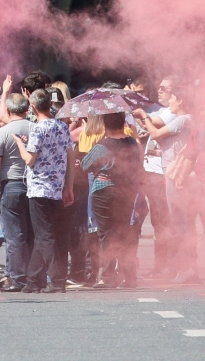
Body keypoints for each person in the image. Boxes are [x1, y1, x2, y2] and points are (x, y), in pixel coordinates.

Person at [13, 89, 74, 293]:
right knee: (45, 235)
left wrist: (20, 144)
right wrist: (69, 185)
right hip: (56, 187)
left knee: (45, 235)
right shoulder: (62, 127)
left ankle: (57, 280)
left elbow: (30, 159)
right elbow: (70, 158)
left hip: (39, 188)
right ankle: (33, 280)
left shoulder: (38, 129)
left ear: (32, 107)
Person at [138, 84, 196, 283]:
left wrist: (143, 117)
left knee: (180, 223)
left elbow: (155, 134)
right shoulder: (185, 120)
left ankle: (187, 268)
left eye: (172, 98)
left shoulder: (183, 119)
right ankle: (185, 267)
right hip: (172, 172)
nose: (169, 101)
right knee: (179, 222)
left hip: (176, 174)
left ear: (180, 101)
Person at [81, 111, 141, 288]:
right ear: (123, 123)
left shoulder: (103, 145)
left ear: (105, 125)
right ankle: (130, 276)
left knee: (106, 233)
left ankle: (107, 276)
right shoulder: (131, 143)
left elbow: (85, 164)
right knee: (125, 231)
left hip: (104, 190)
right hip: (127, 190)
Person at [132, 77, 179, 278]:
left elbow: (156, 127)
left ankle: (168, 263)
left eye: (164, 88)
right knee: (149, 219)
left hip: (163, 172)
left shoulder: (169, 111)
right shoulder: (149, 108)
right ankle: (157, 263)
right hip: (148, 170)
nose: (159, 91)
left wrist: (142, 116)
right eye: (158, 87)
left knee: (165, 221)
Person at [0, 93, 33, 291]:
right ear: (27, 109)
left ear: (8, 110)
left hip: (11, 185)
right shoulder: (35, 128)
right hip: (32, 184)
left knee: (14, 235)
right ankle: (33, 275)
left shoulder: (3, 132)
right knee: (31, 233)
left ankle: (17, 277)